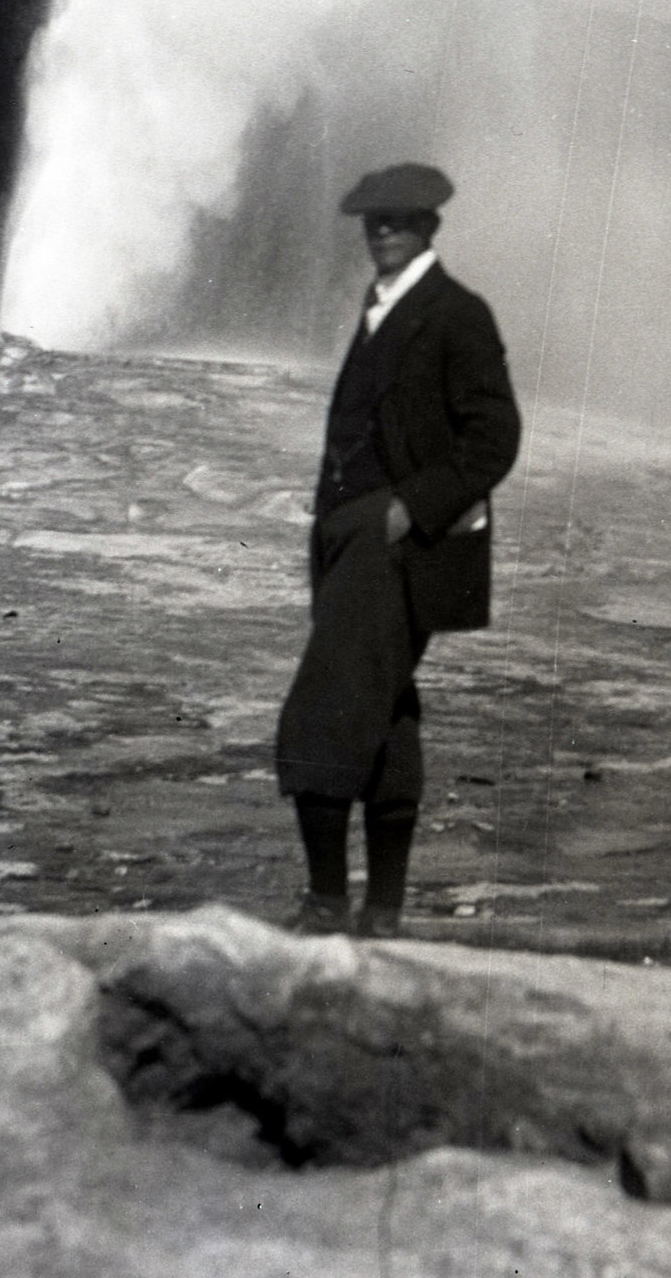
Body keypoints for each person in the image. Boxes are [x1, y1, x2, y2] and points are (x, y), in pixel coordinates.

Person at [273, 163, 522, 937]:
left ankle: (324, 903)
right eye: (374, 220)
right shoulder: (379, 306)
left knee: (321, 711)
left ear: (430, 228)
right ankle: (382, 914)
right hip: (353, 539)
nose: (384, 231)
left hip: (400, 544)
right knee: (384, 715)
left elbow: (495, 436)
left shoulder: (455, 312)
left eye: (401, 220)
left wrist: (411, 507)